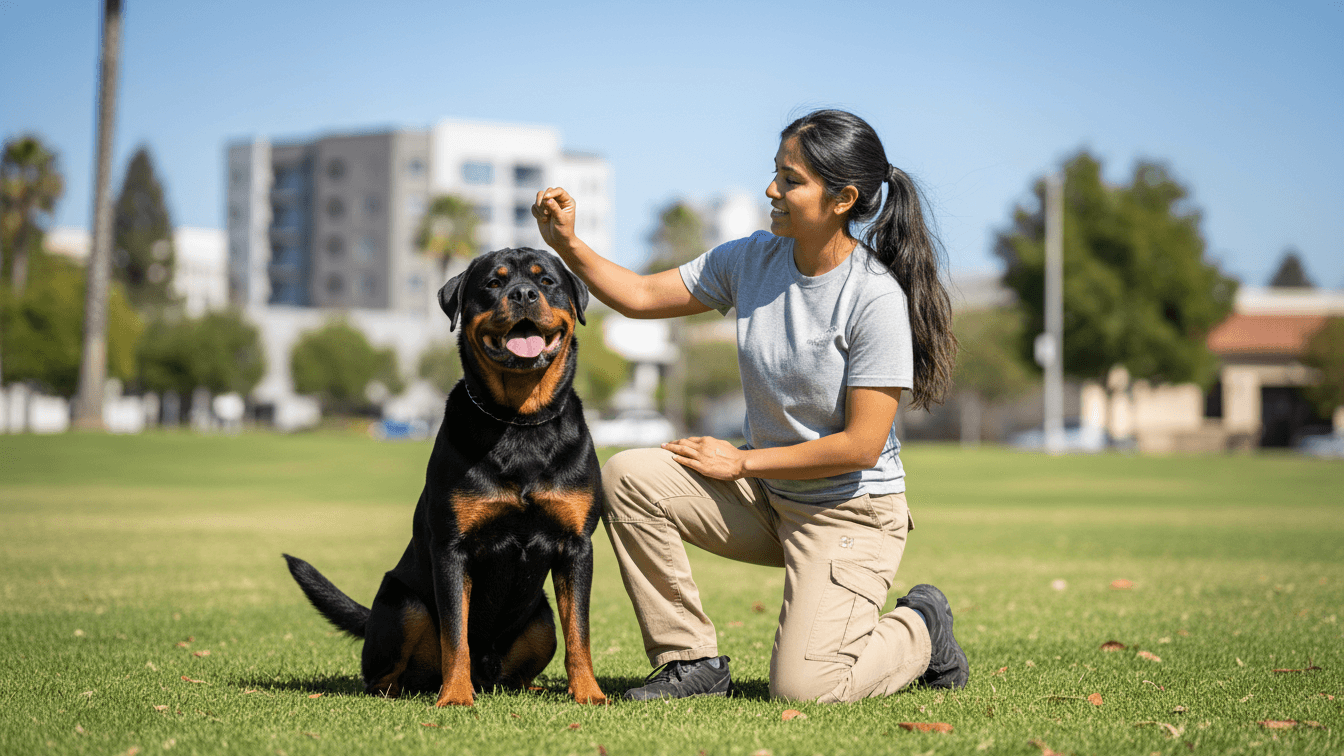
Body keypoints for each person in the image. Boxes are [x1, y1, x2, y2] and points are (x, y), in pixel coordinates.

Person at [531, 109, 968, 703]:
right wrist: (568, 244)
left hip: (849, 513)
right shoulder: (751, 260)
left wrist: (739, 464)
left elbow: (860, 447)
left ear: (843, 198)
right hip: (769, 496)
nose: (772, 190)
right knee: (629, 477)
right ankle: (691, 662)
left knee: (808, 690)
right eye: (775, 173)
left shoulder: (873, 298)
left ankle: (922, 628)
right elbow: (637, 296)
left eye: (791, 180)